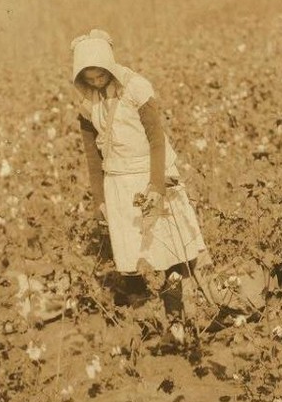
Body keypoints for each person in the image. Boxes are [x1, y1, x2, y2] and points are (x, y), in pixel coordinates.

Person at [71, 30, 208, 341]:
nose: (96, 81)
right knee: (139, 258)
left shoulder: (136, 89)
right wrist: (99, 201)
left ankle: (182, 319)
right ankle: (158, 325)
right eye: (89, 78)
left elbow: (156, 140)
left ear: (109, 67)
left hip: (150, 176)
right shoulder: (87, 106)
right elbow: (93, 158)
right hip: (118, 185)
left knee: (170, 252)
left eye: (100, 74)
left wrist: (156, 187)